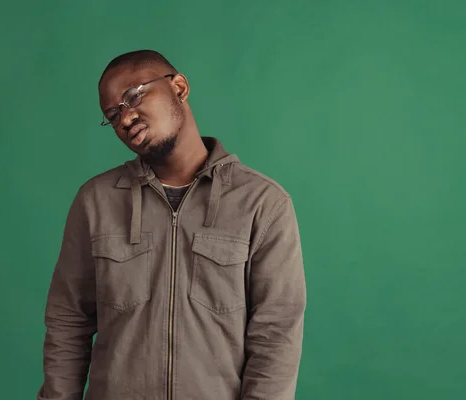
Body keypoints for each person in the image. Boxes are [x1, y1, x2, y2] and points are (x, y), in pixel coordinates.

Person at [37, 50, 306, 400]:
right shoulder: (96, 201)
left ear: (178, 87)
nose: (126, 118)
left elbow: (276, 335)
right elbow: (68, 322)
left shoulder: (262, 203)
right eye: (113, 114)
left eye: (133, 96)